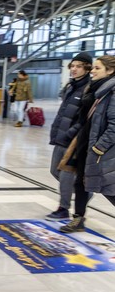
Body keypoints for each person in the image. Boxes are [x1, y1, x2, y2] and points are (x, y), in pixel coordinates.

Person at [46, 52, 92, 221]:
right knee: (54, 171)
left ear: (87, 68)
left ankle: (63, 208)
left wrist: (71, 133)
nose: (74, 69)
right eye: (72, 66)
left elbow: (85, 118)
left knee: (65, 174)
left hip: (73, 139)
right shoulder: (70, 86)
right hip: (61, 135)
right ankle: (84, 191)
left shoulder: (89, 88)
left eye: (78, 66)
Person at [75, 56, 115, 230]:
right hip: (87, 145)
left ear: (110, 70)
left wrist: (99, 148)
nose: (92, 71)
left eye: (97, 68)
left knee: (109, 188)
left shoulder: (111, 92)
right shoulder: (97, 90)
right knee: (83, 182)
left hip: (102, 151)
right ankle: (78, 218)